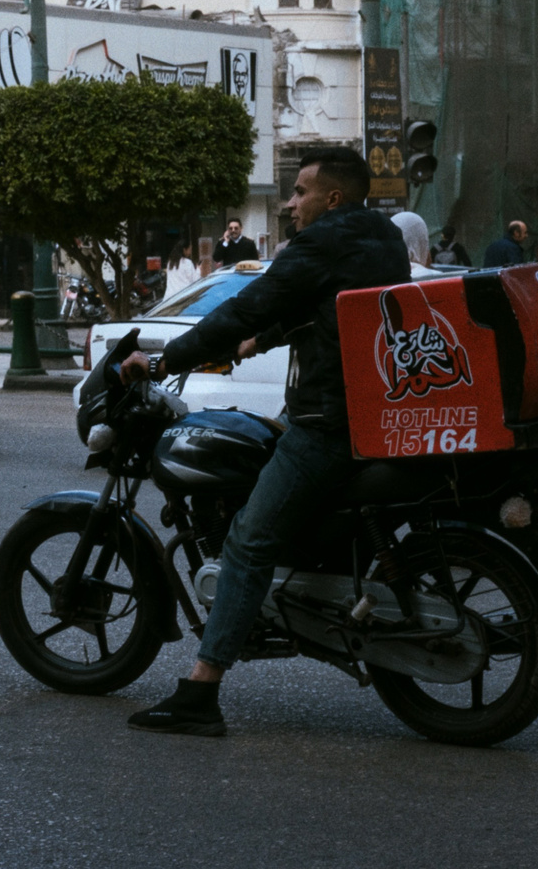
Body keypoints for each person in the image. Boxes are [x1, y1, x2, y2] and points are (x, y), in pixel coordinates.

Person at [122, 146, 409, 736]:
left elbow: (249, 304)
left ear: (332, 198)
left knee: (249, 541)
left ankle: (201, 692)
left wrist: (165, 360)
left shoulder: (321, 241)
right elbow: (324, 306)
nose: (290, 204)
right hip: (371, 408)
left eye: (300, 192)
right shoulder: (382, 236)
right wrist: (260, 341)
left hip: (329, 420)